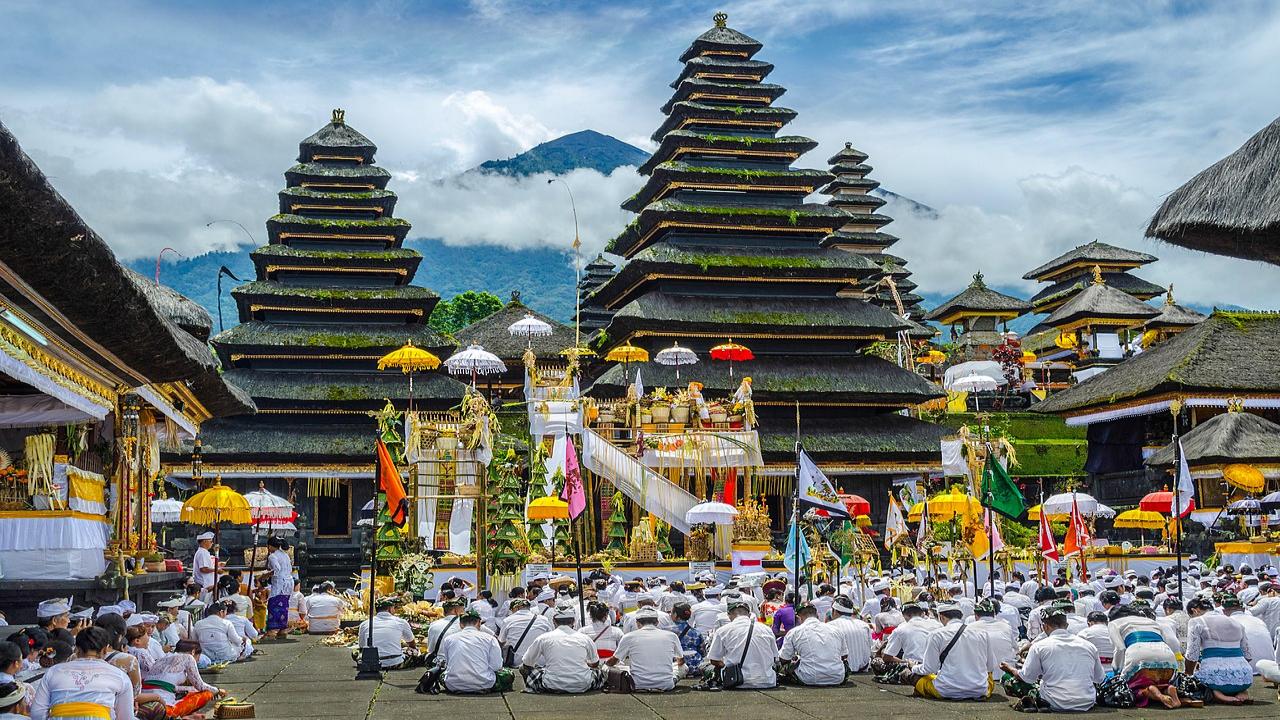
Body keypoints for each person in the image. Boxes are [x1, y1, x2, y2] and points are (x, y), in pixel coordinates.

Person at [1002, 607, 1105, 712]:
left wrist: (1010, 669)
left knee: (1007, 678)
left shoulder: (1039, 646)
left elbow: (1026, 677)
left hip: (1054, 701)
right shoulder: (1089, 646)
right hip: (1086, 701)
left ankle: (1033, 701)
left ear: (1044, 626)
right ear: (1067, 625)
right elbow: (1099, 678)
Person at [28, 627, 134, 720]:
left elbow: (37, 713)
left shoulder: (54, 672)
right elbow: (126, 717)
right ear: (105, 649)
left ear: (76, 649)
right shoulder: (119, 676)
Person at [1107, 602, 1190, 708]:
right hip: (1168, 660)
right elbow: (1168, 641)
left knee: (1133, 688)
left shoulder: (1114, 623)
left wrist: (1118, 672)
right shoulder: (1151, 621)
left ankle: (1152, 691)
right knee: (1160, 682)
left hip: (1140, 658)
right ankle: (1168, 689)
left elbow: (1120, 648)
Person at [912, 602, 1000, 701]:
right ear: (960, 616)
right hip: (980, 690)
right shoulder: (982, 633)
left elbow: (929, 669)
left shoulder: (936, 635)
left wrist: (913, 667)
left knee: (919, 678)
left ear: (941, 617)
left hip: (946, 691)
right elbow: (991, 666)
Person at [1185, 596, 1252, 705]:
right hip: (1245, 678)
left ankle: (1218, 695)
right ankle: (1242, 691)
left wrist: (1188, 674)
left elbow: (1192, 655)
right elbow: (1248, 656)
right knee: (1232, 679)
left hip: (1215, 679)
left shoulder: (1196, 621)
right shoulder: (1235, 622)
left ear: (1194, 610)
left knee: (1200, 679)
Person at [520, 608, 604, 694]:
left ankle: (531, 688)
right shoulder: (585, 638)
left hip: (551, 684)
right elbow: (595, 663)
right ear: (573, 621)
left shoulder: (543, 638)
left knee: (523, 668)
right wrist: (586, 664)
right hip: (582, 684)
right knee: (600, 670)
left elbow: (526, 663)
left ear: (554, 621)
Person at [140, 640, 224, 718]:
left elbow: (169, 686)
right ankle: (180, 715)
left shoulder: (162, 658)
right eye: (198, 657)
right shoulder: (188, 657)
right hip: (165, 708)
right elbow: (200, 686)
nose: (197, 661)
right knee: (207, 693)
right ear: (193, 652)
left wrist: (190, 689)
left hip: (145, 699)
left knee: (193, 690)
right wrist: (217, 690)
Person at [705, 601, 778, 689]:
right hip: (768, 681)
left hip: (737, 681)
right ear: (749, 614)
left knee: (706, 667)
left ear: (728, 615)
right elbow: (774, 657)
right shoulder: (766, 629)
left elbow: (714, 660)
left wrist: (727, 665)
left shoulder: (723, 631)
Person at [607, 608, 683, 692]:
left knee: (616, 667)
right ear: (657, 622)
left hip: (636, 684)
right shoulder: (671, 636)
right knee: (684, 667)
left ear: (637, 623)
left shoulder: (629, 637)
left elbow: (613, 661)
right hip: (666, 684)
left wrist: (605, 664)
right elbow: (681, 661)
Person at [440, 611, 511, 694]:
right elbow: (497, 666)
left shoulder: (449, 639)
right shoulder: (490, 639)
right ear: (479, 623)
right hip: (484, 683)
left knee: (441, 674)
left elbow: (448, 664)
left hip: (453, 684)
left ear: (460, 625)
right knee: (508, 674)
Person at [777, 604, 846, 686]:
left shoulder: (794, 632)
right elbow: (844, 656)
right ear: (817, 615)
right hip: (837, 677)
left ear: (799, 618)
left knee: (783, 668)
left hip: (808, 678)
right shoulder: (835, 630)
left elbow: (784, 658)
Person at [498, 599, 551, 668]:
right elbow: (550, 637)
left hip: (517, 662)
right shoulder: (543, 619)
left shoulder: (508, 620)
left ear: (516, 608)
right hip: (540, 662)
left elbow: (501, 641)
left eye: (511, 610)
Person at [827, 597, 872, 673]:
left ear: (834, 611)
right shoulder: (864, 625)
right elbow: (870, 647)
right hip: (863, 668)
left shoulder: (830, 626)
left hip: (841, 670)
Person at [969, 598, 1016, 666]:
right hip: (1006, 672)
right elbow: (1015, 649)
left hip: (982, 673)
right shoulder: (1006, 626)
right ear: (994, 614)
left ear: (976, 615)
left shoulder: (970, 628)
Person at [263, 537, 293, 640]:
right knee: (284, 605)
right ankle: (282, 630)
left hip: (280, 583)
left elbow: (276, 569)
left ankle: (272, 631)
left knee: (273, 604)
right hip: (288, 582)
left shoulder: (273, 556)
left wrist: (264, 576)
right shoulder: (285, 555)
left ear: (270, 546)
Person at [669, 602, 705, 674]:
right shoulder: (696, 632)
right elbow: (702, 652)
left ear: (676, 614)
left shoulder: (668, 632)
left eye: (671, 612)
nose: (670, 614)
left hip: (676, 667)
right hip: (695, 666)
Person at [191, 532, 217, 604]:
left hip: (206, 584)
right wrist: (216, 570)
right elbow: (203, 569)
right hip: (204, 584)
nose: (212, 543)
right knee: (205, 603)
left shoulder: (204, 552)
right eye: (211, 541)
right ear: (205, 541)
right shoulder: (202, 553)